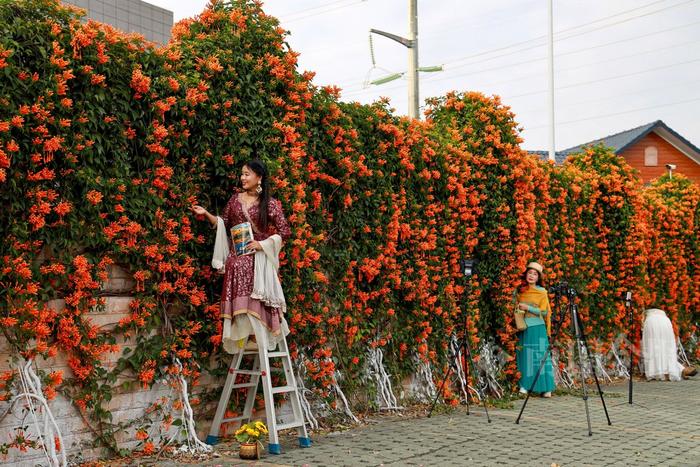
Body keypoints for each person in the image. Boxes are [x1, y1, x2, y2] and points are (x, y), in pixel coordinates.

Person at [190, 159, 291, 353]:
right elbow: (224, 223)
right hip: (235, 260)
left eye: (247, 174)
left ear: (259, 178)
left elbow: (284, 232)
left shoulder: (269, 204)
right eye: (242, 174)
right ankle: (246, 335)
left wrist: (262, 245)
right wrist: (206, 214)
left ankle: (258, 334)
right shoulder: (235, 200)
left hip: (256, 262)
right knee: (241, 306)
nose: (242, 177)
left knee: (255, 302)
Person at [514, 262, 555, 397]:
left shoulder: (542, 292)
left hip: (538, 328)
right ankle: (524, 386)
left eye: (535, 274)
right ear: (526, 274)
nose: (531, 276)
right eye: (530, 273)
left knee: (541, 357)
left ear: (538, 278)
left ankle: (546, 388)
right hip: (524, 328)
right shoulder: (521, 292)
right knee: (525, 356)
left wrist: (528, 308)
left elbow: (544, 312)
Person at [642, 308, 696, 381]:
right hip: (665, 320)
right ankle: (677, 371)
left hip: (651, 320)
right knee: (667, 349)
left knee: (653, 347)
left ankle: (657, 372)